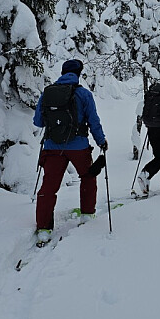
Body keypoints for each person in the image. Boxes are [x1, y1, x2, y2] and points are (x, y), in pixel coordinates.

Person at [32, 59, 107, 246]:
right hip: (79, 146)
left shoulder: (47, 93)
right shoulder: (83, 94)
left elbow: (38, 122)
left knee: (49, 187)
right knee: (88, 177)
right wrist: (101, 141)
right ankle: (87, 215)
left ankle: (43, 228)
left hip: (52, 147)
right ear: (79, 73)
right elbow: (94, 121)